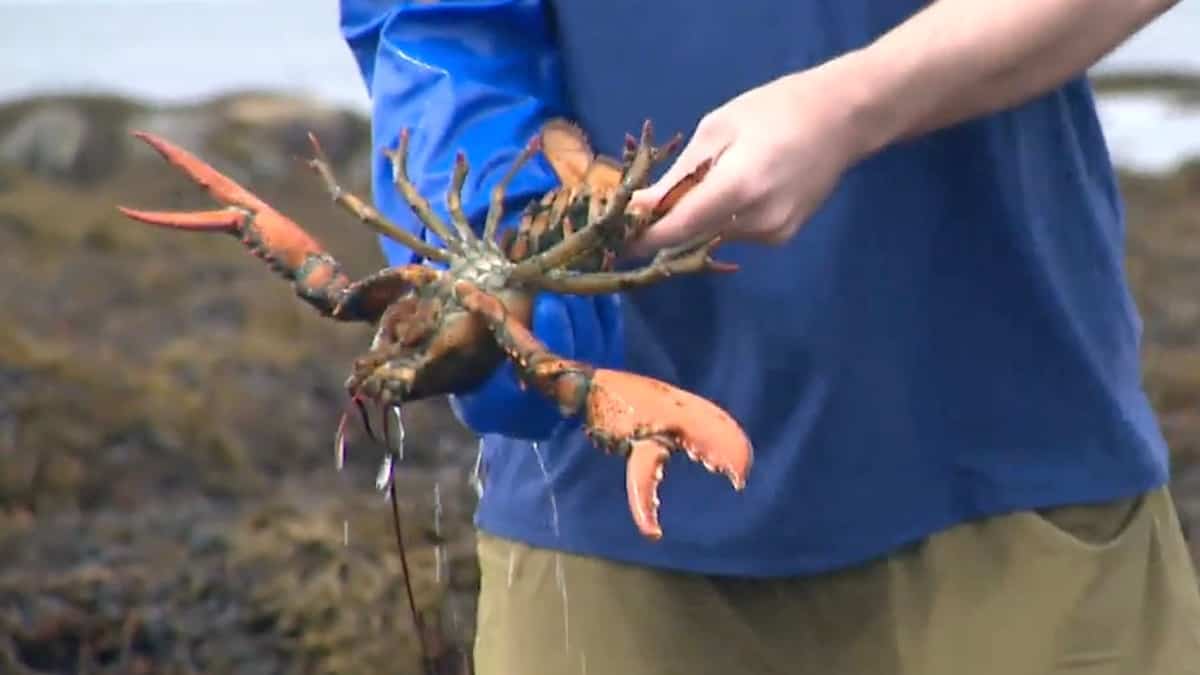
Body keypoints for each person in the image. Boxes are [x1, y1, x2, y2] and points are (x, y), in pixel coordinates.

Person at [339, 1, 1200, 673]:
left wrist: (859, 102)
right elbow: (434, 30)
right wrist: (495, 239)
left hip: (1022, 479)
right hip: (601, 536)